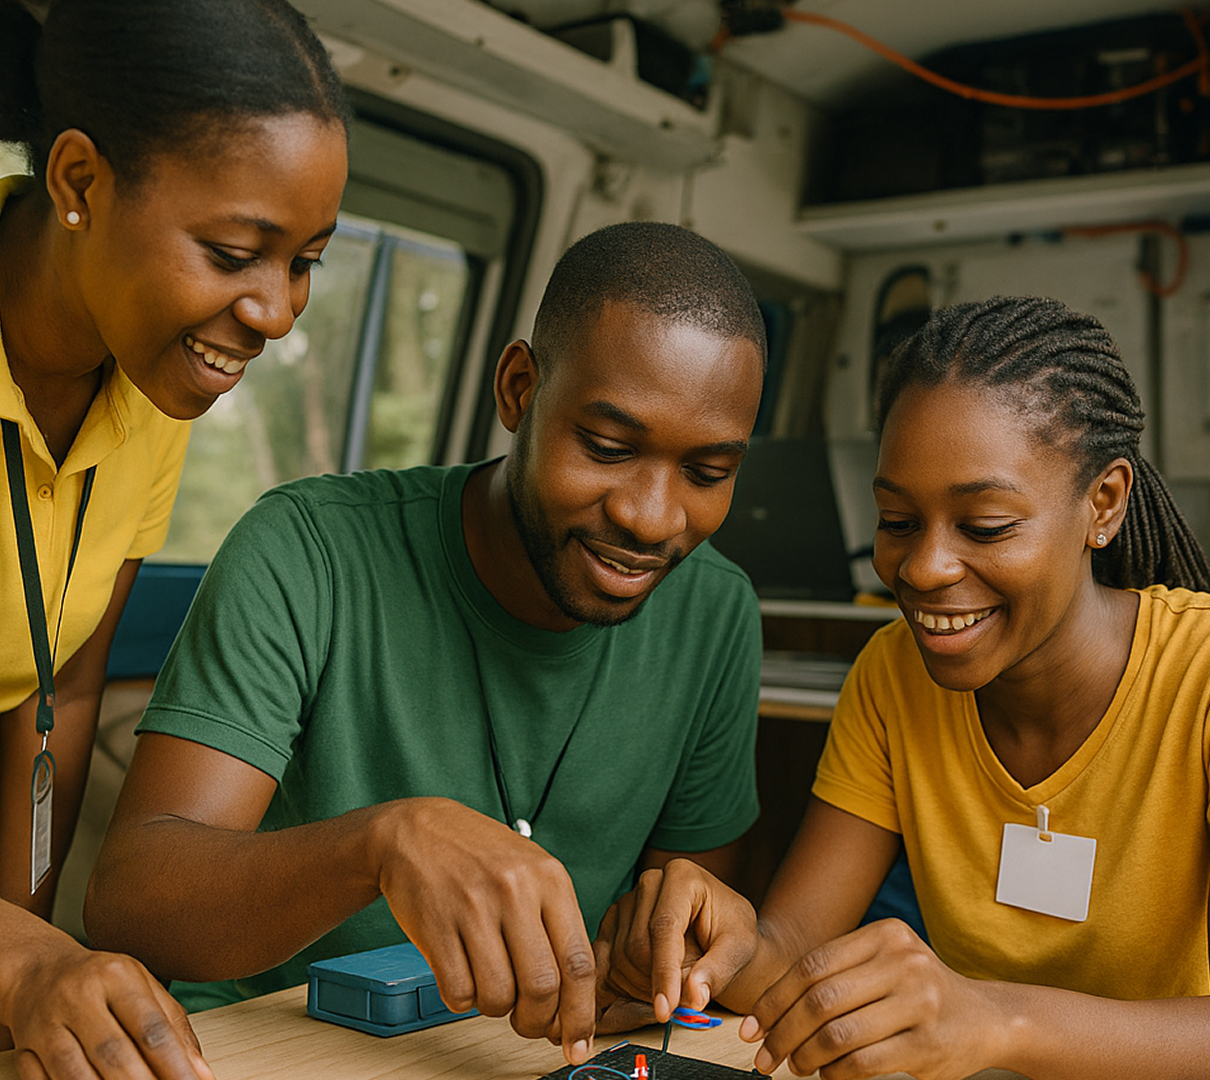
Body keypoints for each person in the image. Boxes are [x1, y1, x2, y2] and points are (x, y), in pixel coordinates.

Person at [594, 296, 1210, 1080]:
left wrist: (990, 1017)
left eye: (985, 527)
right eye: (898, 522)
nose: (924, 569)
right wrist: (717, 941)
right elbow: (792, 953)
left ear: (1102, 503)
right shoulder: (894, 673)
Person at [0, 0, 350, 1076]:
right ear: (81, 182)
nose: (276, 311)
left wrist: (11, 970)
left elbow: (64, 697)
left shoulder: (156, 375)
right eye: (236, 251)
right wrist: (22, 965)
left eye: (305, 261)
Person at [83, 221, 769, 1067]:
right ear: (518, 388)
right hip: (259, 1047)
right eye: (607, 447)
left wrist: (671, 948)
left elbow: (670, 944)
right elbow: (133, 903)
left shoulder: (719, 615)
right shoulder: (308, 549)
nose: (652, 517)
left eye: (707, 474)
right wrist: (379, 845)